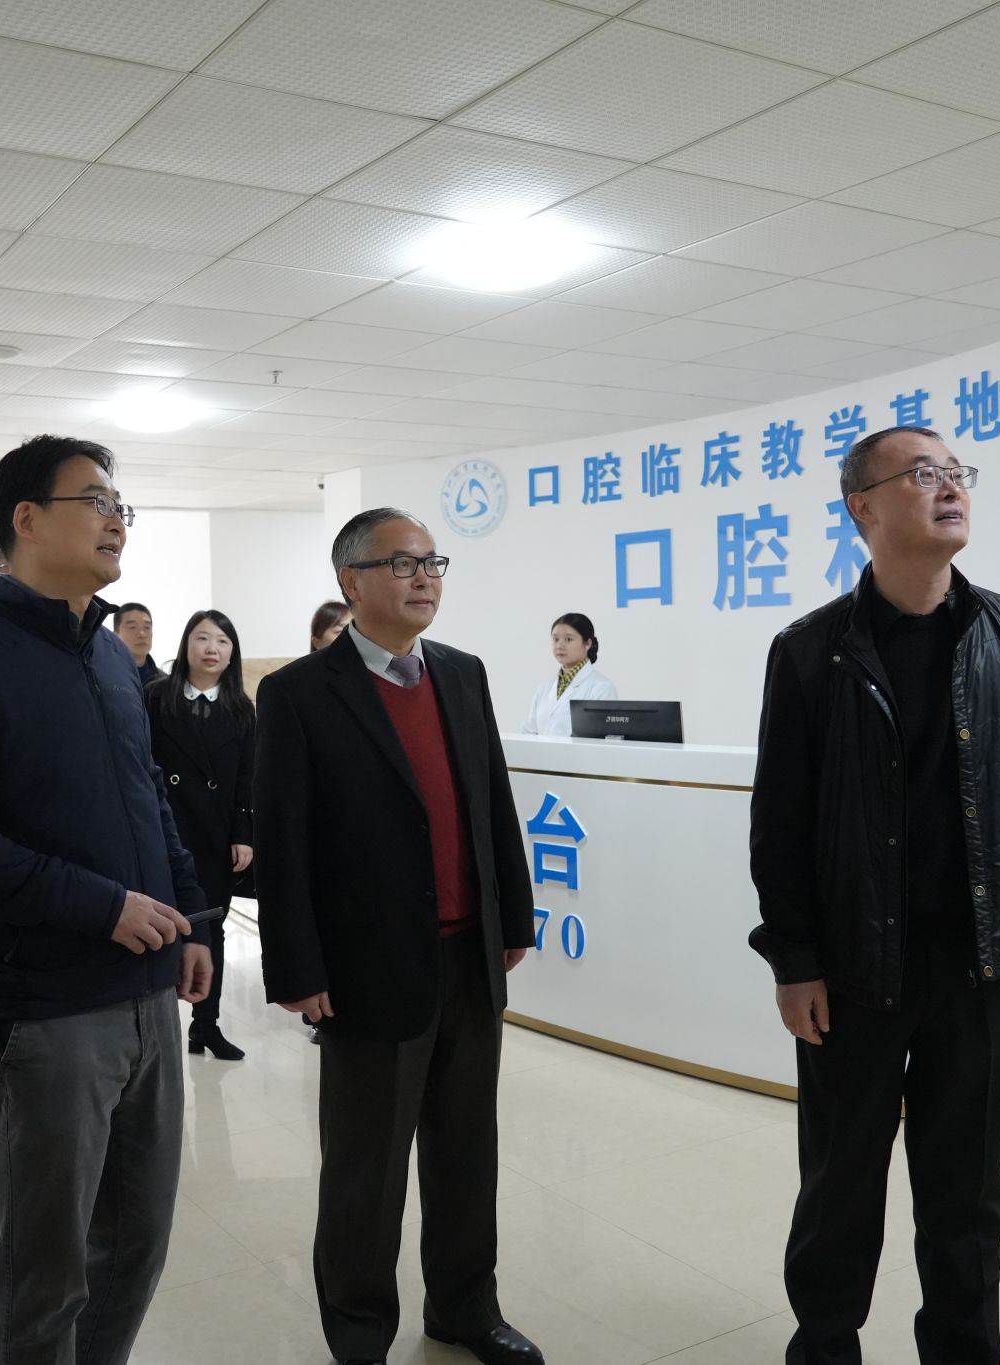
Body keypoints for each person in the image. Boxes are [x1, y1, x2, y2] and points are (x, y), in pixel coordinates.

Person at [748, 426, 1000, 1365]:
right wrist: (794, 959)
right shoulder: (811, 650)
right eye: (923, 473)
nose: (950, 487)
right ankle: (825, 1347)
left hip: (979, 965)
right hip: (854, 969)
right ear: (862, 506)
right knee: (839, 1186)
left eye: (956, 472)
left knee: (967, 1194)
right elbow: (780, 821)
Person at [0, 435, 213, 1365]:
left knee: (135, 1248)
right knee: (47, 1270)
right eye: (95, 500)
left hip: (148, 990)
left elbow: (148, 796)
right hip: (43, 1006)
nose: (116, 521)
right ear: (26, 520)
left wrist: (189, 915)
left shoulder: (110, 657)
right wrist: (102, 906)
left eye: (121, 505)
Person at [256, 508, 542, 1365]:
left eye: (432, 563)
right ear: (351, 580)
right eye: (402, 564)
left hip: (468, 957)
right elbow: (284, 840)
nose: (424, 578)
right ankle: (358, 1334)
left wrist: (512, 916)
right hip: (367, 965)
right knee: (366, 1172)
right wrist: (296, 965)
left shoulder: (462, 672)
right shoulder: (300, 693)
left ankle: (465, 1308)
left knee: (467, 1154)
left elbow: (492, 801)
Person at [146, 610, 255, 1063]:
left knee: (211, 928)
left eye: (223, 641)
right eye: (203, 638)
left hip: (216, 836)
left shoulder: (241, 709)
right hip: (165, 831)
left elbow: (247, 778)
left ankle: (206, 1024)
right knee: (156, 928)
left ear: (232, 653)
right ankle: (153, 1030)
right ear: (186, 645)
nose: (212, 648)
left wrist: (244, 833)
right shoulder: (156, 698)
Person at [520, 612, 618, 736]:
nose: (559, 645)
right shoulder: (544, 687)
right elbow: (529, 731)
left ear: (587, 644)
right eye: (555, 639)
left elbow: (601, 738)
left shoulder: (602, 687)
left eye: (568, 639)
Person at [111, 601, 163, 686]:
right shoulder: (103, 674)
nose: (142, 634)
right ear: (115, 635)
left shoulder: (165, 682)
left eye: (147, 627)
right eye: (132, 627)